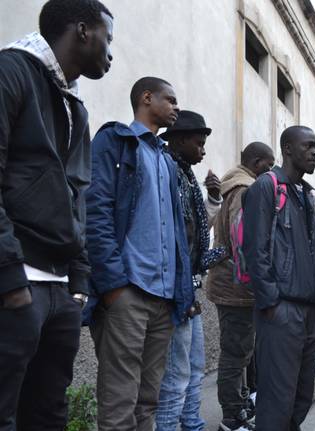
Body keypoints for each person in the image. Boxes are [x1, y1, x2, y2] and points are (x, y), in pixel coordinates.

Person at [0, 0, 113, 429]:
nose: (110, 51)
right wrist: (10, 277)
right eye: (108, 37)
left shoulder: (74, 105)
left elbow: (76, 196)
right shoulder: (11, 71)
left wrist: (78, 282)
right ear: (83, 30)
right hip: (16, 283)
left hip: (60, 288)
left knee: (48, 414)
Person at [85, 77, 191, 431]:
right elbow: (96, 212)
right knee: (119, 404)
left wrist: (181, 290)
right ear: (147, 98)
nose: (177, 107)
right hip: (127, 293)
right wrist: (114, 287)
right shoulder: (115, 142)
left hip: (163, 300)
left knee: (148, 402)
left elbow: (176, 232)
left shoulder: (167, 161)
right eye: (170, 100)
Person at [242, 125, 315, 430]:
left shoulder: (307, 195)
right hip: (282, 311)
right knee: (277, 400)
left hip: (312, 311)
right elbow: (255, 248)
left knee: (301, 397)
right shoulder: (265, 187)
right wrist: (271, 303)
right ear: (288, 149)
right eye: (309, 146)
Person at [155, 110, 226, 431]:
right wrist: (182, 289)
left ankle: (192, 424)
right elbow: (174, 239)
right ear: (179, 140)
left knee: (194, 367)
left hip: (188, 287)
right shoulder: (166, 171)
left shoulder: (184, 175)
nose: (203, 151)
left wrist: (212, 198)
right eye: (199, 143)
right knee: (177, 375)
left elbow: (197, 234)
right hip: (175, 290)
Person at [206, 141, 275, 431]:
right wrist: (259, 284)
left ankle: (241, 406)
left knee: (242, 351)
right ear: (256, 162)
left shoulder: (231, 185)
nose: (269, 172)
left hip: (230, 284)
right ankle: (232, 418)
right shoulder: (245, 190)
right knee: (235, 354)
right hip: (237, 287)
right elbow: (243, 244)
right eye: (268, 166)